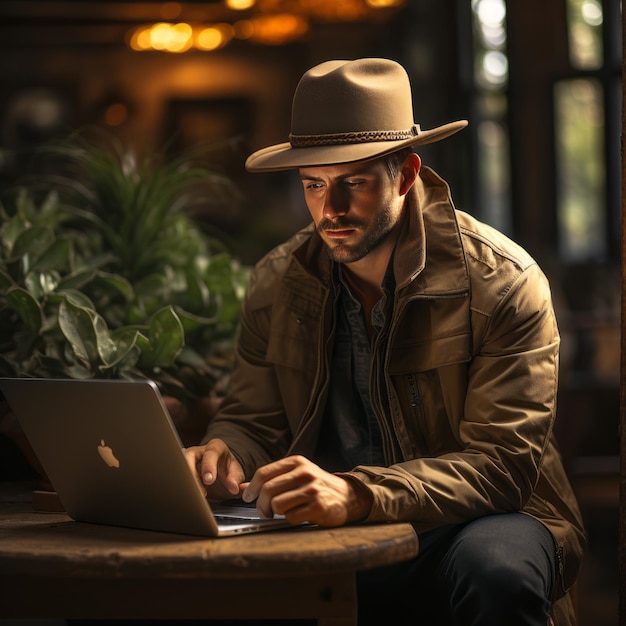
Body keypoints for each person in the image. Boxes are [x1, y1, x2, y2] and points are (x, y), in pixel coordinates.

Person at [184, 58, 585, 626]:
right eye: (314, 186)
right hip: (330, 523)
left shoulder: (503, 283)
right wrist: (222, 454)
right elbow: (253, 419)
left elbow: (500, 467)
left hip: (481, 517)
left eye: (354, 183)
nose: (332, 210)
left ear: (407, 173)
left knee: (498, 568)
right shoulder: (278, 281)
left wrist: (358, 493)